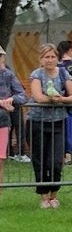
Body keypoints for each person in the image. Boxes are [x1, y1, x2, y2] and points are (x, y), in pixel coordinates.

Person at [27, 43, 72, 209]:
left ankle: (54, 195)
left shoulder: (63, 73)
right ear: (41, 59)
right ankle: (44, 197)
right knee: (41, 161)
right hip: (38, 122)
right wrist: (52, 99)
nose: (49, 60)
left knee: (56, 161)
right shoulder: (36, 74)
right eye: (46, 57)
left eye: (52, 56)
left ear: (57, 58)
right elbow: (38, 97)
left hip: (58, 122)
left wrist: (62, 100)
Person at [0, 45, 28, 188]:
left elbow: (23, 95)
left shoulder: (8, 74)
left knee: (0, 161)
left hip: (3, 122)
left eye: (0, 56)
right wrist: (2, 103)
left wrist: (12, 100)